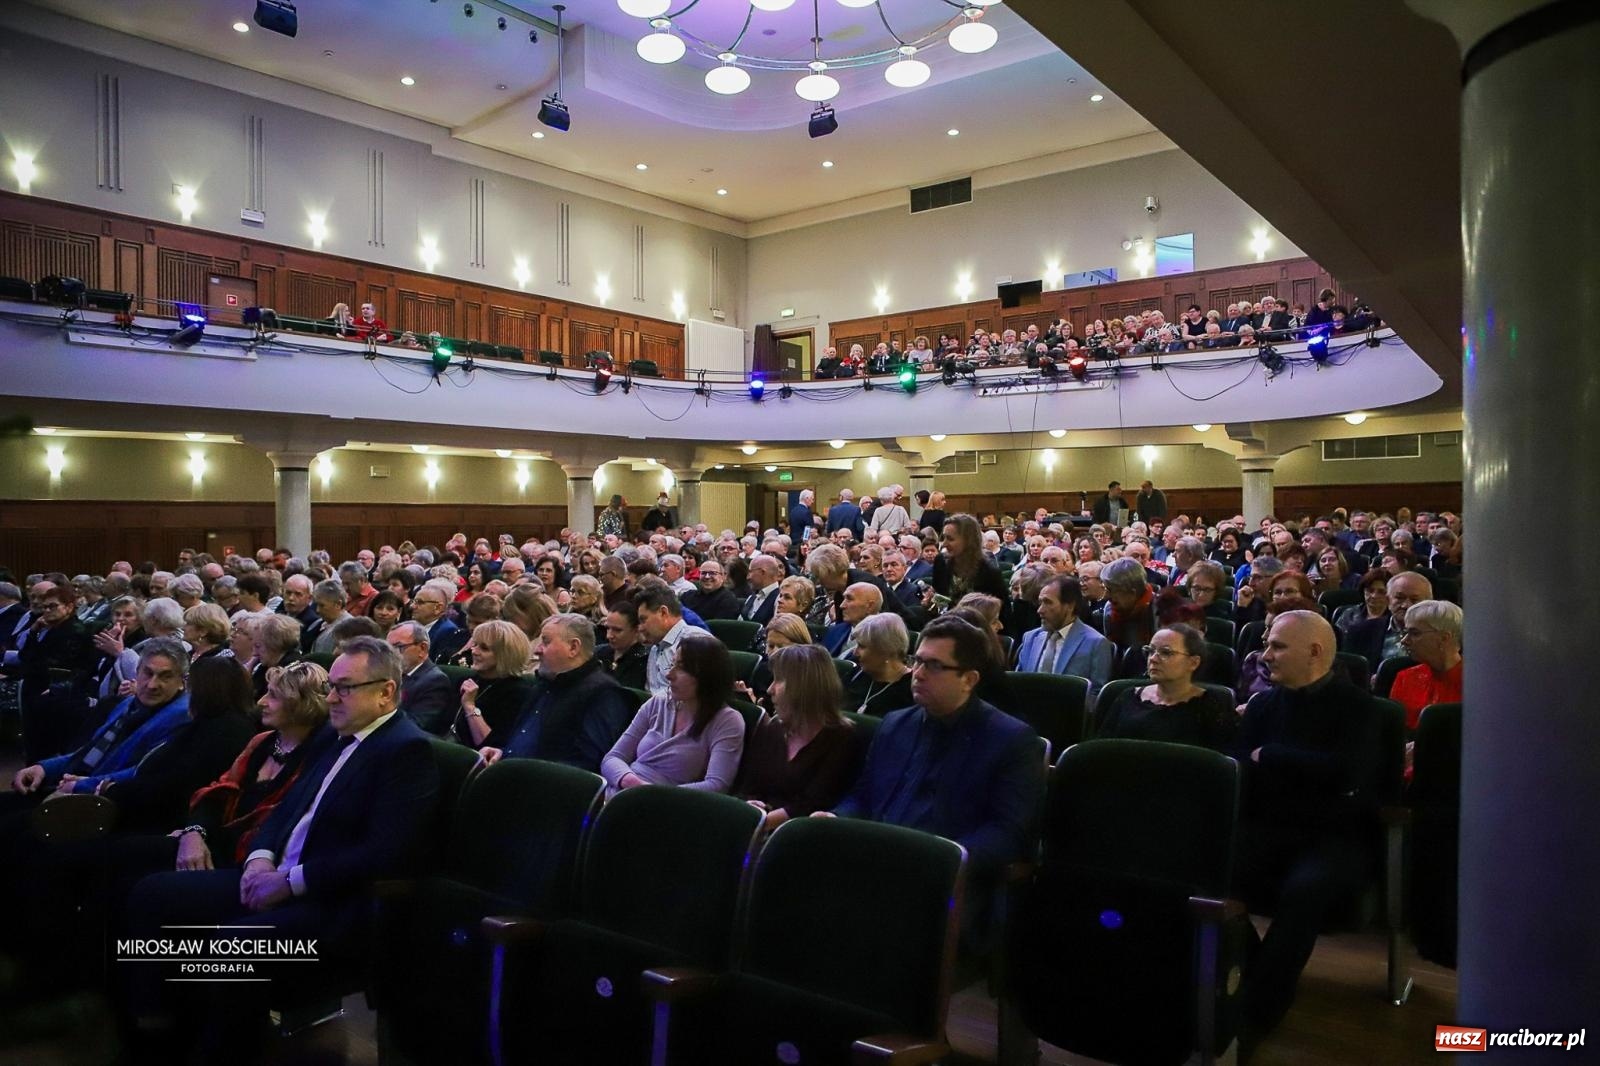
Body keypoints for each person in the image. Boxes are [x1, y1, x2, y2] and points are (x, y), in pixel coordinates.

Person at [124, 637, 439, 1062]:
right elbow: (285, 808)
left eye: (344, 688)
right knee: (153, 894)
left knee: (229, 946)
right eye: (331, 687)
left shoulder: (406, 750)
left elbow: (386, 853)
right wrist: (260, 859)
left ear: (386, 692)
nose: (332, 698)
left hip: (331, 904)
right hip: (275, 875)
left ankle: (219, 1052)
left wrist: (289, 882)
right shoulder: (336, 736)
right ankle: (154, 1031)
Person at [821, 616, 1043, 942]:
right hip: (877, 861)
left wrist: (937, 860)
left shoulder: (1011, 740)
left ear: (969, 679)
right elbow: (864, 796)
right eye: (918, 660)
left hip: (946, 880)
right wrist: (837, 818)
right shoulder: (895, 724)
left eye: (935, 666)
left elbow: (1007, 833)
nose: (918, 673)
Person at [1231, 611, 1385, 1038]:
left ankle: (1259, 1009)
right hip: (1268, 827)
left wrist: (1272, 756)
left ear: (1315, 652)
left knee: (1305, 890)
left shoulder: (1359, 707)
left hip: (1334, 836)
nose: (1265, 655)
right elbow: (1241, 762)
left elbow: (1349, 774)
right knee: (1203, 867)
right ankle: (1258, 971)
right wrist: (1296, 765)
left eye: (1277, 646)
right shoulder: (1263, 705)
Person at [4, 639, 191, 809]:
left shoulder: (180, 716)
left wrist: (82, 785)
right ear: (137, 672)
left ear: (182, 682)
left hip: (103, 805)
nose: (152, 685)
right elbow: (86, 753)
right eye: (148, 673)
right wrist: (43, 768)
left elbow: (142, 773)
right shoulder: (128, 704)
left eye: (165, 676)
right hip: (75, 785)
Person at [476, 614, 634, 774]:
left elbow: (586, 767)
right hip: (509, 774)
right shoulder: (543, 684)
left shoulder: (603, 694)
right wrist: (501, 752)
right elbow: (523, 742)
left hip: (541, 783)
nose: (537, 650)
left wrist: (521, 770)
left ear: (573, 648)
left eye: (545, 642)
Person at [600, 630, 745, 798]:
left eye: (681, 668)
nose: (669, 675)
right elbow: (613, 757)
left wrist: (653, 794)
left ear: (707, 676)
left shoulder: (727, 721)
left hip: (671, 804)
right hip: (622, 793)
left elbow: (717, 785)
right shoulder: (659, 702)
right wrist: (632, 782)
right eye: (672, 664)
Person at [735, 644, 860, 830]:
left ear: (804, 687)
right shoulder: (773, 728)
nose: (769, 690)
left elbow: (812, 804)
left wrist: (758, 823)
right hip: (757, 824)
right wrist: (750, 805)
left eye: (779, 680)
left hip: (800, 834)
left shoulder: (842, 737)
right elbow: (748, 788)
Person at [1098, 624, 1236, 748]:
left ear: (1193, 663)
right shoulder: (1127, 697)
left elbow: (1222, 761)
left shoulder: (1211, 707)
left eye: (1166, 652)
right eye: (1150, 651)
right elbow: (1100, 749)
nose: (1153, 659)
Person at [1016, 575, 1113, 696]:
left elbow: (1096, 695)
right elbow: (1018, 683)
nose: (1040, 610)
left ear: (1070, 606)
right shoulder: (1030, 638)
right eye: (1040, 602)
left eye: (1048, 602)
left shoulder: (1096, 643)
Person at [454, 619, 537, 748]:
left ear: (505, 655)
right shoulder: (469, 680)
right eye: (475, 645)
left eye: (484, 648)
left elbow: (490, 745)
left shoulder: (518, 692)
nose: (474, 651)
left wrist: (470, 707)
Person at [1389, 600, 1463, 731]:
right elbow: (1393, 732)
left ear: (1444, 638)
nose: (1404, 640)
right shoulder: (1405, 678)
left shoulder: (1478, 686)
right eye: (1405, 632)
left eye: (1415, 633)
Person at [387, 621, 457, 735]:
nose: (390, 655)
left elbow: (417, 726)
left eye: (398, 647)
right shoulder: (389, 673)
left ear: (422, 648)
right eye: (387, 648)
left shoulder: (435, 681)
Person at [841, 612, 915, 716]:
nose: (855, 652)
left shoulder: (911, 692)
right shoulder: (856, 675)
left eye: (861, 646)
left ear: (886, 650)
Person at [929, 513, 1009, 608]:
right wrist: (930, 603)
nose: (944, 544)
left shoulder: (989, 572)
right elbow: (939, 599)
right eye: (943, 538)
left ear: (969, 541)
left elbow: (1002, 610)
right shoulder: (941, 562)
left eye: (950, 539)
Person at [597, 605, 650, 692]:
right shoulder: (600, 653)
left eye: (617, 630)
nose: (609, 635)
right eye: (607, 628)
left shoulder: (644, 660)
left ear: (636, 630)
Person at [1333, 568, 1390, 635]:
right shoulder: (1349, 615)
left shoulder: (1394, 619)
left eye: (1381, 592)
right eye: (1370, 590)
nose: (1374, 596)